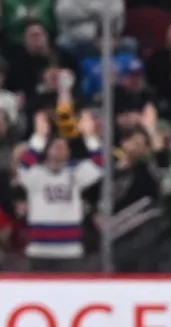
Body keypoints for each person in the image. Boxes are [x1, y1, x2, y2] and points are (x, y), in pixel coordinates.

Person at [15, 111, 105, 270]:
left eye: (64, 147)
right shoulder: (36, 175)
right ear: (47, 150)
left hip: (70, 252)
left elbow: (100, 165)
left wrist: (89, 135)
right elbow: (23, 167)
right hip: (39, 251)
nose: (60, 149)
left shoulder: (75, 173)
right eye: (56, 146)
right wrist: (39, 137)